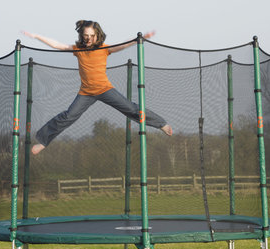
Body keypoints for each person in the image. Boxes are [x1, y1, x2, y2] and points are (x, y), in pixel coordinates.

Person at [22, 20, 172, 155]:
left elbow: (123, 44)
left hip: (105, 89)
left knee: (131, 109)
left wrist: (139, 38)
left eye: (92, 35)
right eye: (86, 35)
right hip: (86, 93)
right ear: (82, 35)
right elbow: (57, 45)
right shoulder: (78, 49)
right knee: (68, 116)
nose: (88, 38)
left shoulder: (104, 48)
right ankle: (43, 142)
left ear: (97, 35)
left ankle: (161, 124)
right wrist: (36, 36)